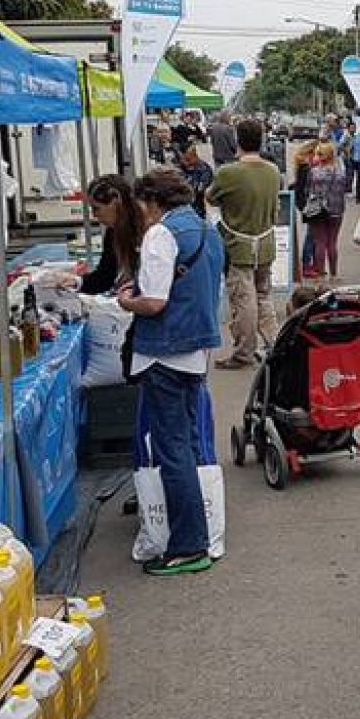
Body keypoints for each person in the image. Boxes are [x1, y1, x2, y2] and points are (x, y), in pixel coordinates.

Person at [116, 167, 224, 576]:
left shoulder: (161, 234)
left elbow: (156, 302)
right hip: (195, 347)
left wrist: (128, 301)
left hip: (165, 351)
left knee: (172, 450)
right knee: (187, 445)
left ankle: (188, 544)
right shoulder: (204, 227)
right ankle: (196, 535)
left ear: (150, 201)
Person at [208, 119, 279, 370]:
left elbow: (211, 197)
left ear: (238, 140)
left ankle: (243, 352)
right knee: (263, 295)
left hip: (239, 243)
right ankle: (274, 343)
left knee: (243, 300)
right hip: (266, 242)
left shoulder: (228, 172)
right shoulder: (272, 171)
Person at [60, 175, 147, 294]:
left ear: (115, 200)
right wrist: (76, 281)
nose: (94, 215)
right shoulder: (114, 232)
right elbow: (105, 276)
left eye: (96, 208)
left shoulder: (148, 230)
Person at [304, 141, 351, 280]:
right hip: (337, 209)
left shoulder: (314, 172)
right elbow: (346, 188)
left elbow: (308, 190)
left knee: (320, 242)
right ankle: (334, 274)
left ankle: (319, 274)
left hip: (318, 209)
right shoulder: (341, 173)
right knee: (332, 242)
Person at [292, 140, 319, 277]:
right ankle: (307, 264)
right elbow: (302, 188)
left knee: (314, 234)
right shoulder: (306, 168)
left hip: (308, 203)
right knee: (312, 235)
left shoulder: (304, 166)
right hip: (309, 203)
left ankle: (313, 263)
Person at [177, 142, 214, 218]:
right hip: (179, 212)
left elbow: (200, 189)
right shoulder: (177, 168)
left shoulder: (204, 169)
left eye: (188, 159)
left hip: (197, 212)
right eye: (182, 159)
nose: (184, 162)